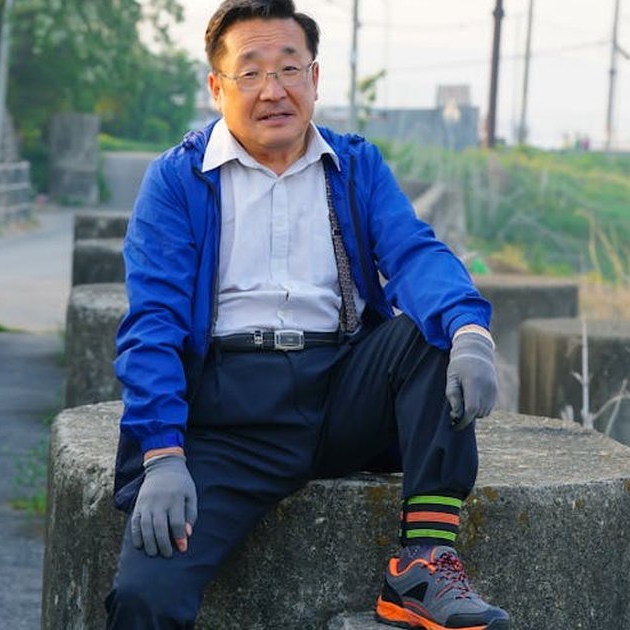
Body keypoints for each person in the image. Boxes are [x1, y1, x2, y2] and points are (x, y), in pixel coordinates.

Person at [106, 1, 509, 628]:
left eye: (290, 69)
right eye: (250, 72)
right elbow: (152, 324)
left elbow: (413, 251)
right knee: (144, 596)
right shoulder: (179, 181)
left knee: (431, 332)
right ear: (217, 87)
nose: (274, 91)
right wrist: (161, 452)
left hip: (341, 391)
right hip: (228, 420)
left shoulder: (354, 165)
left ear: (314, 79)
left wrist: (471, 330)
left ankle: (424, 563)